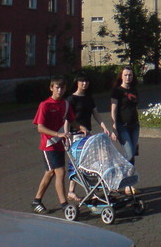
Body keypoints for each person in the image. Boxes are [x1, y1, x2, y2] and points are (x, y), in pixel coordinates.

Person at [31, 77, 87, 214]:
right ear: (51, 88)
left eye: (62, 88)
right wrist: (58, 134)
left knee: (50, 173)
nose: (60, 90)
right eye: (57, 88)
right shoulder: (45, 105)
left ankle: (36, 201)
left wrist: (83, 128)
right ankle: (64, 205)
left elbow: (72, 121)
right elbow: (40, 128)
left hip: (59, 145)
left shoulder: (65, 104)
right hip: (48, 145)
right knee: (60, 172)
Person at [66, 72, 115, 200]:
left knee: (90, 163)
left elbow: (96, 114)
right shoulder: (71, 99)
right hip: (76, 135)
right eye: (82, 81)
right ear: (77, 82)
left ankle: (91, 190)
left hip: (87, 135)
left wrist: (104, 127)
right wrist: (67, 136)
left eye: (86, 81)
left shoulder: (88, 98)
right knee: (78, 163)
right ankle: (72, 191)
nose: (84, 84)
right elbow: (67, 119)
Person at [111, 67, 140, 165]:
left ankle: (130, 176)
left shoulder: (134, 90)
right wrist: (114, 128)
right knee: (130, 154)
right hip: (122, 126)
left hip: (135, 126)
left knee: (132, 154)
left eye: (130, 75)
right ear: (121, 76)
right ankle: (119, 170)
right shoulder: (117, 91)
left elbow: (134, 107)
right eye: (126, 75)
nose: (128, 77)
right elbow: (113, 110)